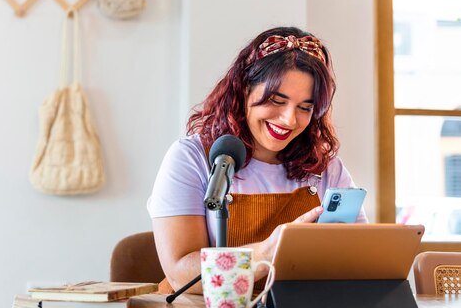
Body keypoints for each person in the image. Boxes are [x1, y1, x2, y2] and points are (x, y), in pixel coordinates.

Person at [147, 26, 367, 294]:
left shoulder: (324, 167)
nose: (289, 119)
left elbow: (357, 260)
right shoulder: (192, 158)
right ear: (243, 90)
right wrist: (267, 252)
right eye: (276, 100)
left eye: (305, 107)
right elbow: (182, 274)